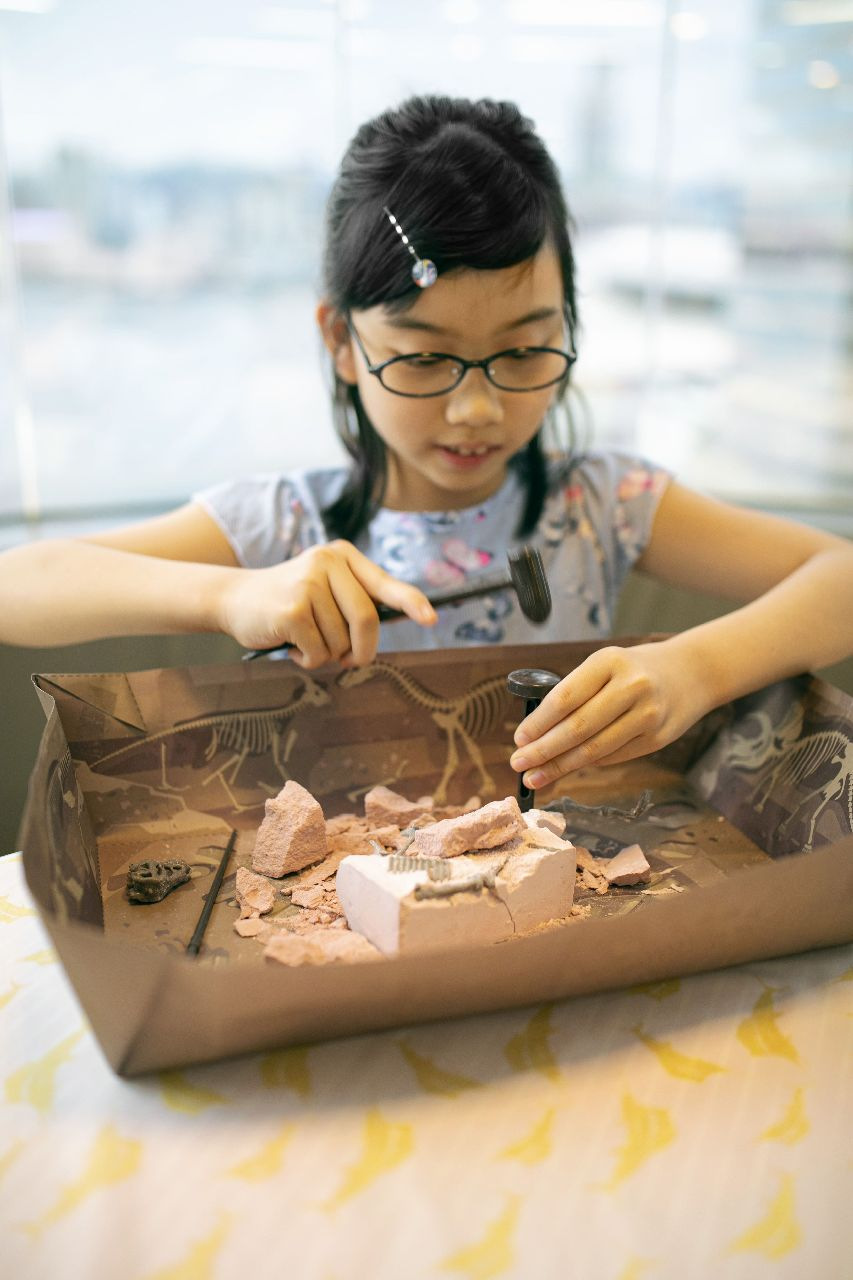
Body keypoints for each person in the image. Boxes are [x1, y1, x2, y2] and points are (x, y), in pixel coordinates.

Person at [2, 94, 852, 797]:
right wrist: (230, 595)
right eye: (422, 359)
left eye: (524, 351)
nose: (476, 409)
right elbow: (18, 586)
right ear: (341, 343)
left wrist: (695, 668)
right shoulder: (285, 523)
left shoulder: (603, 505)